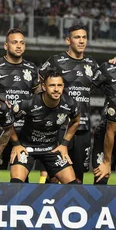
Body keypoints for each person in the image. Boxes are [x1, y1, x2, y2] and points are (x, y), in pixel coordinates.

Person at [39, 24, 99, 183]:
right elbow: (39, 83)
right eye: (77, 37)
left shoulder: (91, 63)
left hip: (83, 127)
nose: (81, 41)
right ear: (68, 40)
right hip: (59, 127)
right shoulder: (56, 61)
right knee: (54, 176)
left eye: (84, 37)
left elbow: (103, 83)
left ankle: (75, 206)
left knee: (79, 177)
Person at [0, 29, 40, 180]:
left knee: (20, 178)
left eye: (22, 42)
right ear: (6, 45)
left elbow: (38, 96)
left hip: (22, 130)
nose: (19, 46)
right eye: (14, 42)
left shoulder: (32, 69)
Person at [9, 70, 81, 184]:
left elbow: (76, 121)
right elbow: (7, 122)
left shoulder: (70, 104)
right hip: (26, 148)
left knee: (73, 185)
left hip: (51, 149)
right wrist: (16, 144)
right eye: (52, 85)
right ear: (44, 87)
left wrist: (64, 144)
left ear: (63, 86)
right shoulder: (28, 104)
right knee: (16, 184)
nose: (56, 89)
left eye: (59, 85)